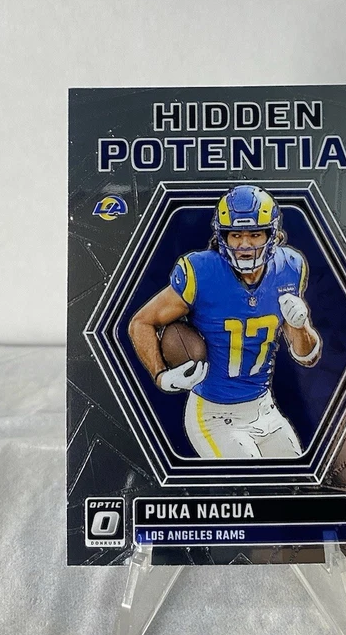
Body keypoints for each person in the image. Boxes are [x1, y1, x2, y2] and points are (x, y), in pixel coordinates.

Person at [128, 185, 321, 458]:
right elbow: (141, 322)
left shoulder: (289, 267)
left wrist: (301, 325)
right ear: (223, 236)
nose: (244, 245)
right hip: (214, 416)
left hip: (265, 409)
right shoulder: (202, 272)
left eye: (254, 234)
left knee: (296, 481)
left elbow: (306, 356)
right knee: (250, 479)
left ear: (272, 235)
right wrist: (160, 375)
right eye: (236, 235)